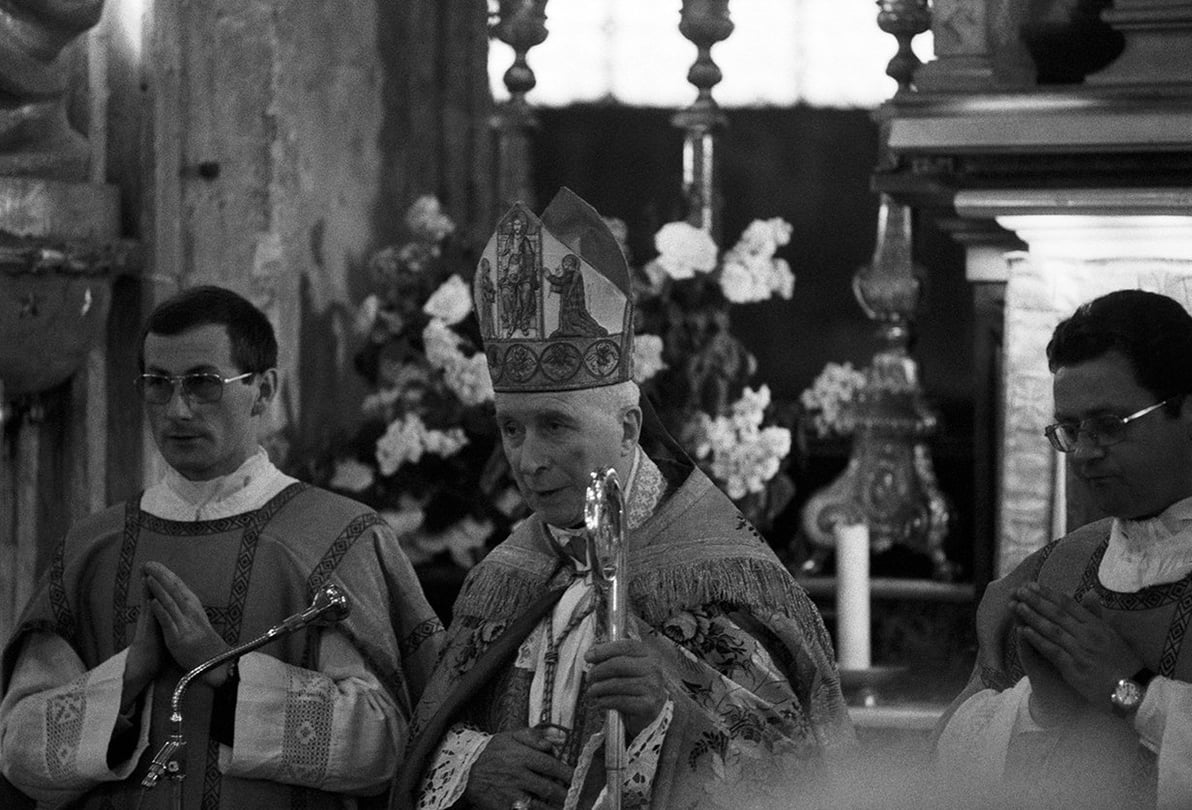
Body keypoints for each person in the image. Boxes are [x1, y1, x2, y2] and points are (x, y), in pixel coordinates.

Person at [391, 188, 853, 810]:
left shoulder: (721, 574)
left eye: (555, 425)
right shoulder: (500, 579)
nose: (528, 461)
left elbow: (805, 775)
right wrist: (471, 765)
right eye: (511, 428)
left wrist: (666, 718)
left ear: (629, 428)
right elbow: (424, 739)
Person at [0, 285, 445, 809]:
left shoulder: (336, 540)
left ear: (263, 390)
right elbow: (17, 750)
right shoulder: (91, 550)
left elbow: (388, 743)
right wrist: (126, 678)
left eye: (204, 384)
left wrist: (224, 672)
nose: (178, 409)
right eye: (158, 384)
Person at [935, 289, 1192, 808]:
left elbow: (1124, 689)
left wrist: (1130, 691)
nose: (1083, 454)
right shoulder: (1048, 574)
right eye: (1069, 430)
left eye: (1110, 426)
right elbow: (945, 762)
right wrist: (1040, 711)